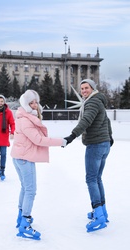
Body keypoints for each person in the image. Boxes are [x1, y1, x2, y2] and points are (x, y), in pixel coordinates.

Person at [10, 89, 67, 240]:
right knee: (30, 190)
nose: (35, 105)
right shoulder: (25, 120)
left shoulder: (26, 116)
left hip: (20, 156)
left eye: (36, 102)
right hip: (24, 158)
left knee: (25, 188)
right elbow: (39, 140)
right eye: (31, 103)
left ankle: (21, 217)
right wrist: (61, 141)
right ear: (25, 104)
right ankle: (25, 223)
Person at [64, 79, 113, 232]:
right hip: (104, 144)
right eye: (82, 88)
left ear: (93, 88)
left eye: (87, 88)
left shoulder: (92, 102)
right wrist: (109, 138)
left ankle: (98, 216)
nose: (84, 91)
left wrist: (72, 136)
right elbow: (107, 121)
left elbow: (86, 121)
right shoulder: (98, 101)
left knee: (91, 179)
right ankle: (102, 212)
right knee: (97, 179)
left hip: (96, 145)